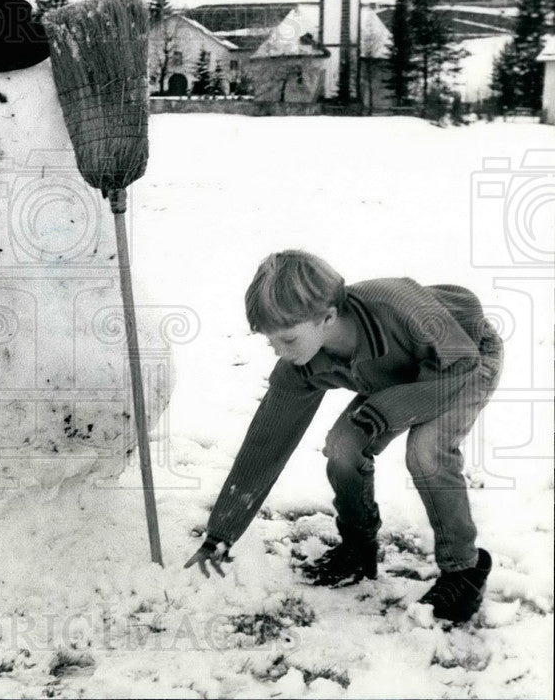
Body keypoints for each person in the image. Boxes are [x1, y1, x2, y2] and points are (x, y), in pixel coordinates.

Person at [185, 250, 503, 624]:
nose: (278, 351)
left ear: (328, 317)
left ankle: (464, 571)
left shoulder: (399, 303)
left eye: (286, 339)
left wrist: (385, 411)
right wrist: (220, 532)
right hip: (396, 375)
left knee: (426, 452)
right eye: (270, 341)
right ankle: (357, 549)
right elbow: (266, 443)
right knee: (342, 446)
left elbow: (460, 363)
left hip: (463, 359)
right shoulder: (299, 366)